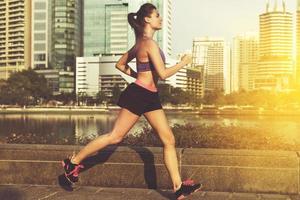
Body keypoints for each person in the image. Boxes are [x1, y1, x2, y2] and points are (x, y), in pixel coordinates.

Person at [61, 3, 202, 199]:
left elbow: (121, 65)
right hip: (139, 94)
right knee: (115, 137)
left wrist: (140, 75)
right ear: (147, 19)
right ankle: (73, 162)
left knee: (168, 139)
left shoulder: (141, 43)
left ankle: (178, 188)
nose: (160, 19)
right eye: (157, 15)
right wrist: (184, 63)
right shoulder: (148, 43)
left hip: (149, 95)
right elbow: (163, 73)